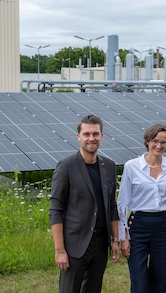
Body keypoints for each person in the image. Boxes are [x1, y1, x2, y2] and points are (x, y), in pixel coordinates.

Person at [49, 114, 120, 293]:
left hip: (101, 243)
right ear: (78, 136)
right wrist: (60, 250)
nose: (91, 138)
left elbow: (112, 206)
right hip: (75, 244)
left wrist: (115, 240)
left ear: (102, 136)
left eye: (95, 134)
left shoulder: (109, 166)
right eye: (87, 134)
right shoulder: (66, 166)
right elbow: (56, 209)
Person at [117, 123, 166, 293]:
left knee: (161, 280)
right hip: (138, 225)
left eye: (164, 142)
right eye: (155, 141)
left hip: (162, 226)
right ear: (147, 141)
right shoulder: (132, 166)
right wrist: (123, 236)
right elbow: (122, 203)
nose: (159, 146)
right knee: (139, 282)